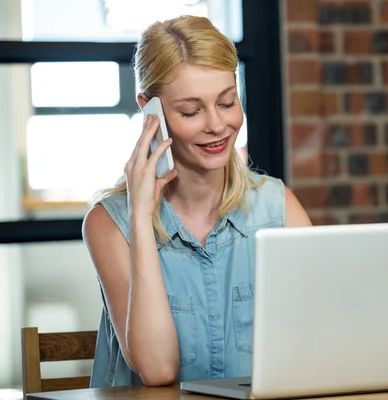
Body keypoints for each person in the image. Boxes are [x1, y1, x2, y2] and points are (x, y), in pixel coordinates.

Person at [82, 15, 312, 388]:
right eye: (191, 111)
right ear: (149, 110)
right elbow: (158, 370)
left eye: (227, 102)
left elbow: (322, 340)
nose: (217, 125)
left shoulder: (278, 208)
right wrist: (142, 216)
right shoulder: (110, 224)